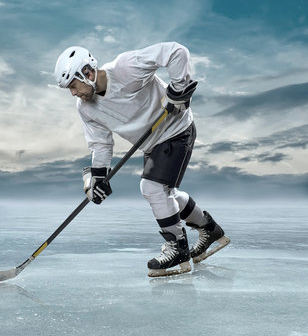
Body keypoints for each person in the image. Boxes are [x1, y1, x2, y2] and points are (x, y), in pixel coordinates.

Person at [54, 42, 230, 277]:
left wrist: (178, 88)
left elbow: (176, 52)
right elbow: (101, 143)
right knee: (167, 193)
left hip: (176, 129)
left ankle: (178, 249)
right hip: (152, 144)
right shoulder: (85, 108)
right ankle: (210, 230)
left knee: (153, 188)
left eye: (73, 86)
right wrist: (98, 176)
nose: (73, 93)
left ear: (86, 73)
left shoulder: (126, 67)